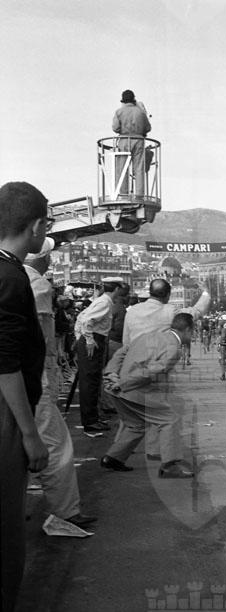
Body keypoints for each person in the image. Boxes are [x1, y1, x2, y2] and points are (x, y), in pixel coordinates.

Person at [0, 181, 50, 612]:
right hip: (5, 417)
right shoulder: (11, 278)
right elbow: (5, 363)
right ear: (35, 226)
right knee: (7, 531)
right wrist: (31, 435)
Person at [24, 239, 96, 529]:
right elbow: (41, 341)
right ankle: (65, 512)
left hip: (17, 378)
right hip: (34, 378)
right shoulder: (37, 284)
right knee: (56, 446)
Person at [101, 313, 195, 478]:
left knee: (136, 425)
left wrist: (111, 373)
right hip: (131, 389)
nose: (192, 336)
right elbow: (152, 371)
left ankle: (113, 458)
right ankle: (169, 466)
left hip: (116, 387)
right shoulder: (174, 349)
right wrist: (123, 383)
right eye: (193, 332)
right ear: (187, 330)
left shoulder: (148, 336)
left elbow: (122, 352)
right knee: (169, 420)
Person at [74, 277, 123, 433]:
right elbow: (86, 320)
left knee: (93, 380)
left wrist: (80, 337)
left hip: (94, 338)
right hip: (94, 339)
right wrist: (88, 339)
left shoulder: (102, 301)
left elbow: (81, 317)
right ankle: (90, 420)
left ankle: (93, 417)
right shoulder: (104, 302)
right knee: (90, 381)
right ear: (116, 289)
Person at [112, 89, 152, 198]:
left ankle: (124, 194)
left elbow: (115, 128)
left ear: (123, 100)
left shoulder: (119, 112)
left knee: (122, 168)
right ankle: (139, 195)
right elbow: (148, 128)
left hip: (124, 141)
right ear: (133, 99)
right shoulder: (141, 112)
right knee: (139, 168)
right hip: (139, 141)